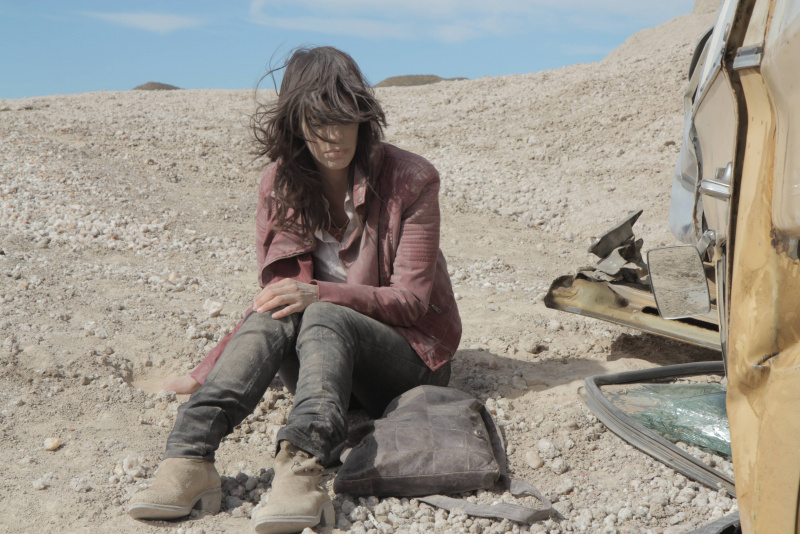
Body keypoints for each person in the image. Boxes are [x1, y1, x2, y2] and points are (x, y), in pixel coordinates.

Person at [128, 46, 461, 534]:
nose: (333, 136)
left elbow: (410, 303)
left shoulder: (411, 179)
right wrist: (209, 368)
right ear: (295, 125)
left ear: (362, 117)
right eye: (317, 122)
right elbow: (278, 298)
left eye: (344, 119)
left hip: (410, 358)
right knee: (285, 307)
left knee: (321, 310)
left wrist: (320, 294)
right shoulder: (279, 185)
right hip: (325, 363)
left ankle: (302, 466)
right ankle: (189, 456)